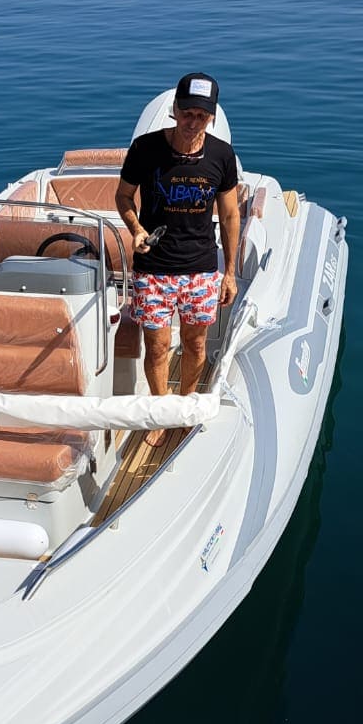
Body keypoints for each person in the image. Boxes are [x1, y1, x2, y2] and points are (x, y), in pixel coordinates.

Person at [115, 72, 240, 445]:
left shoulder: (221, 155)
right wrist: (136, 229)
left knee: (196, 344)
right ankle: (160, 411)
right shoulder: (145, 149)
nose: (192, 122)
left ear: (211, 117)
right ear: (174, 111)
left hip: (201, 267)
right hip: (153, 269)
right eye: (186, 113)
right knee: (155, 346)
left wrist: (229, 273)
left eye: (201, 116)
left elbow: (231, 215)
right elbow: (122, 198)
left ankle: (185, 406)